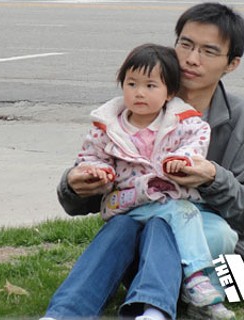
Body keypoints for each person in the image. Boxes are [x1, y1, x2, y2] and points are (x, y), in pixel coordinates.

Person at [41, 2, 244, 320]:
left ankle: (174, 296)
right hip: (136, 232)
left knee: (205, 229)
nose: (191, 59)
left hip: (209, 243)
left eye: (208, 51)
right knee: (127, 226)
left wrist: (211, 178)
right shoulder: (132, 106)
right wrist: (75, 184)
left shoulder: (242, 119)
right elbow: (88, 189)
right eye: (185, 44)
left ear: (231, 63)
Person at [74, 43, 226, 313]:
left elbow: (197, 139)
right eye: (131, 84)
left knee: (184, 213)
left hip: (164, 203)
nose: (139, 93)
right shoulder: (108, 126)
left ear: (170, 93)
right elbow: (90, 155)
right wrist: (97, 170)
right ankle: (195, 278)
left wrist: (181, 159)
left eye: (150, 86)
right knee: (183, 212)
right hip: (126, 205)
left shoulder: (182, 122)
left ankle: (194, 282)